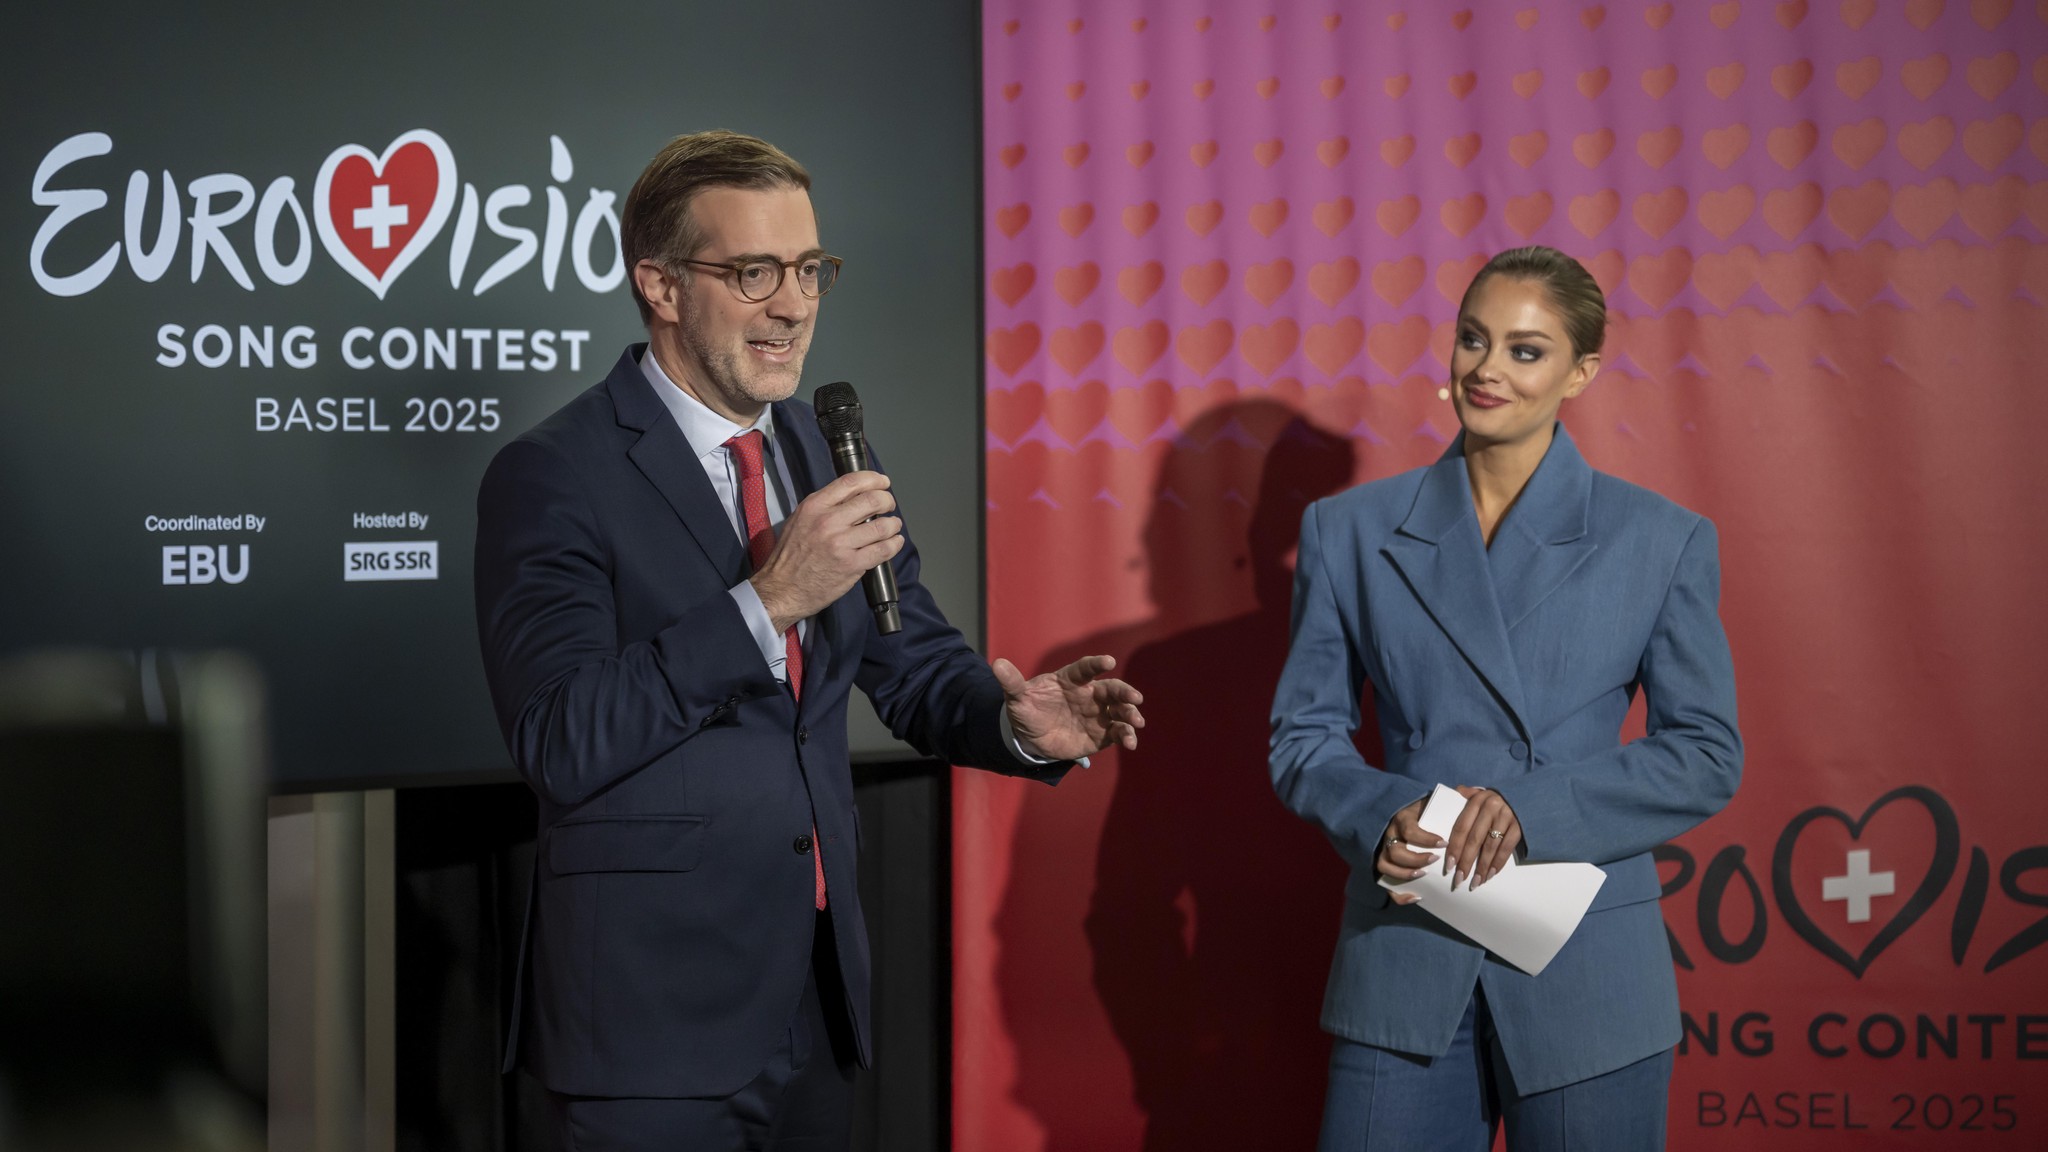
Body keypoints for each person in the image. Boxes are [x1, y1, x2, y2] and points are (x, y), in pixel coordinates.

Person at [473, 129, 1144, 1150]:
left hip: (814, 1004)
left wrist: (1014, 727)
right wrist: (767, 601)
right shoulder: (554, 475)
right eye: (753, 273)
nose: (793, 305)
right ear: (658, 284)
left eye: (807, 269)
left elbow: (908, 658)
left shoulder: (820, 445)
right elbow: (562, 737)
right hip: (650, 1034)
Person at [1268, 245, 1740, 1150]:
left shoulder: (1660, 538)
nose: (1488, 369)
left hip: (1587, 966)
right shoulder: (1349, 531)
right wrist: (1384, 814)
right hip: (1405, 955)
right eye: (1474, 339)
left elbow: (1706, 754)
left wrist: (1525, 810)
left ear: (1581, 372)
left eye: (1527, 350)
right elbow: (1304, 739)